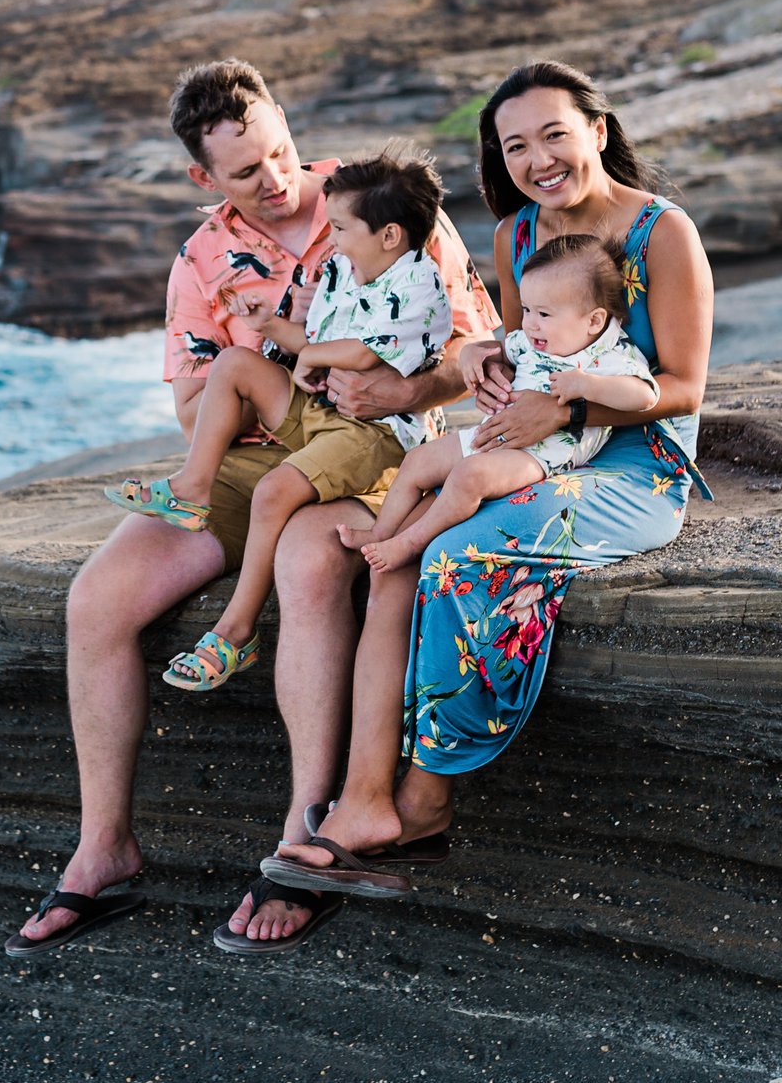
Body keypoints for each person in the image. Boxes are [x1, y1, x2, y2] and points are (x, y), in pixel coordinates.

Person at [6, 60, 495, 956]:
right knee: (97, 599)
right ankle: (103, 848)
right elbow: (194, 406)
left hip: (369, 450)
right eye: (244, 172)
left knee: (311, 563)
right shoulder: (200, 260)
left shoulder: (380, 202)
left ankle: (304, 842)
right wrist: (277, 356)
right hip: (256, 449)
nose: (274, 181)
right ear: (203, 178)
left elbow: (477, 345)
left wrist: (399, 386)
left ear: (285, 123)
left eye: (280, 151)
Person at [256, 59, 714, 900]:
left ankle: (425, 799)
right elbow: (520, 344)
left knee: (455, 552)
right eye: (515, 145)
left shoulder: (663, 232)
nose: (538, 159)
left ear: (598, 133)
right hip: (528, 443)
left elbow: (683, 386)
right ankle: (363, 799)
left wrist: (566, 414)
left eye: (554, 135)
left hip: (635, 465)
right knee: (394, 555)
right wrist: (480, 359)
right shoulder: (515, 236)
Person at [106, 155, 455, 693]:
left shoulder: (418, 289)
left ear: (389, 235)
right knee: (234, 364)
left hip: (376, 435)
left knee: (272, 493)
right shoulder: (341, 270)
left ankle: (236, 630)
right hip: (323, 412)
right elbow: (310, 344)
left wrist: (313, 356)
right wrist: (270, 325)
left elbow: (363, 354)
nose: (330, 239)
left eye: (339, 228)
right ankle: (192, 489)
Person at [348, 232, 655, 577]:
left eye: (544, 313)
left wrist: (589, 386)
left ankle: (410, 542)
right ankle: (380, 531)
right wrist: (472, 356)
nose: (530, 322)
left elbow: (645, 396)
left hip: (540, 456)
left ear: (594, 321)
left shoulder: (609, 356)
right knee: (418, 460)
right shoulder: (530, 341)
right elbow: (498, 351)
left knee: (469, 477)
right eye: (526, 309)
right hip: (492, 434)